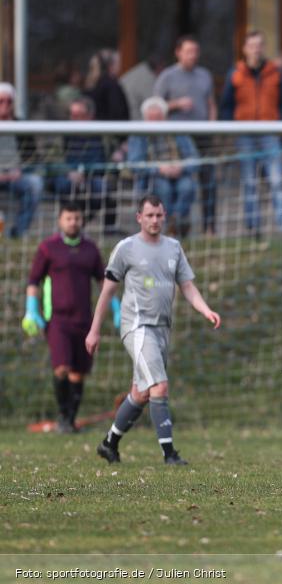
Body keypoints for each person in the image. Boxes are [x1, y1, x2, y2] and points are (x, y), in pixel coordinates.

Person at [89, 194, 221, 465]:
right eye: (149, 215)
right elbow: (107, 291)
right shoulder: (126, 248)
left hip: (162, 328)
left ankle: (109, 444)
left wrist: (205, 309)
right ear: (139, 217)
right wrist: (94, 330)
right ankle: (169, 454)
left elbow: (187, 286)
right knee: (159, 386)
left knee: (141, 393)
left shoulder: (173, 247)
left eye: (159, 215)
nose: (155, 220)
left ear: (165, 216)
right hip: (137, 326)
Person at [23, 202, 121, 432]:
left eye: (76, 218)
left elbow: (103, 282)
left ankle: (70, 421)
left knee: (79, 372)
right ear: (60, 220)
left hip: (84, 319)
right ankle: (63, 416)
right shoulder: (48, 248)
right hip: (57, 319)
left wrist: (117, 308)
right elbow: (34, 281)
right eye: (68, 218)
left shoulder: (90, 249)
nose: (73, 222)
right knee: (61, 367)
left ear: (82, 220)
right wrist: (31, 309)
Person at [220, 30, 282, 235]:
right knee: (250, 182)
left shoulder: (275, 72)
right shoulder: (235, 73)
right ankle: (253, 227)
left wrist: (280, 121)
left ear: (263, 47)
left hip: (270, 133)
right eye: (252, 46)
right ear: (244, 49)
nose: (256, 50)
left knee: (277, 181)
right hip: (245, 134)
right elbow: (226, 105)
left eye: (259, 45)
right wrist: (232, 127)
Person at [154, 35, 218, 236]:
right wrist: (176, 104)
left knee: (209, 180)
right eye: (188, 51)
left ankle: (209, 227)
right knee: (183, 181)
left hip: (203, 135)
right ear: (178, 53)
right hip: (177, 138)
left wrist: (212, 125)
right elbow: (156, 106)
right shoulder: (167, 76)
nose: (193, 55)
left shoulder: (205, 75)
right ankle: (179, 224)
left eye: (195, 51)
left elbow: (211, 104)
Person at [127, 97, 199, 238]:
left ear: (165, 117)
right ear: (145, 118)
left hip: (180, 174)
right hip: (153, 177)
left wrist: (181, 167)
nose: (155, 122)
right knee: (163, 189)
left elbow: (195, 158)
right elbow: (134, 164)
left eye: (158, 118)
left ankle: (174, 221)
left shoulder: (178, 131)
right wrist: (158, 169)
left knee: (187, 187)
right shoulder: (138, 135)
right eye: (151, 118)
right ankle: (168, 227)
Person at [53, 97, 115, 228]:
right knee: (64, 185)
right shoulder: (62, 132)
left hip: (95, 175)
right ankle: (67, 224)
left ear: (90, 116)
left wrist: (86, 173)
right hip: (68, 175)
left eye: (78, 115)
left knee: (102, 187)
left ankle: (87, 223)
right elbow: (53, 157)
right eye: (72, 115)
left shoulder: (102, 133)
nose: (73, 119)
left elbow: (109, 158)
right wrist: (68, 171)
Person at [0, 82, 44, 238]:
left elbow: (33, 156)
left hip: (16, 175)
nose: (5, 105)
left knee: (35, 183)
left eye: (9, 101)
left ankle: (19, 233)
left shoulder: (21, 126)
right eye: (1, 101)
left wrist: (20, 170)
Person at [85, 49, 129, 121]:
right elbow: (117, 113)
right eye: (118, 64)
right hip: (109, 126)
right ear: (111, 66)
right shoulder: (111, 85)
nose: (119, 67)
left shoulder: (94, 83)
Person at [120, 55, 163, 121]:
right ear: (159, 67)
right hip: (132, 118)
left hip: (125, 115)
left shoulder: (139, 70)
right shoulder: (147, 78)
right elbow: (154, 103)